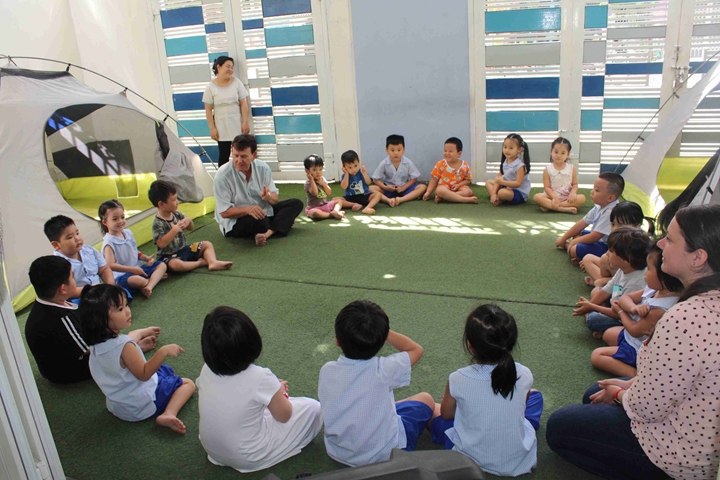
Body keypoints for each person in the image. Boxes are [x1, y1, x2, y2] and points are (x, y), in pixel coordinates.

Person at [547, 203, 720, 480]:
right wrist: (627, 385)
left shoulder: (686, 316)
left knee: (559, 427)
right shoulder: (703, 301)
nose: (661, 243)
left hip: (679, 456)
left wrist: (618, 394)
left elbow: (646, 408)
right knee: (594, 393)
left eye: (670, 239)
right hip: (693, 427)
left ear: (698, 257)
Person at [197, 306, 322, 473]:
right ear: (251, 343)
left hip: (212, 449)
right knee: (313, 408)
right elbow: (285, 416)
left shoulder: (206, 368)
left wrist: (272, 390)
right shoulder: (261, 377)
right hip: (249, 455)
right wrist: (279, 392)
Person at [318, 300, 440, 467]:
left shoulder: (327, 370)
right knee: (426, 398)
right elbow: (416, 349)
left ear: (337, 340)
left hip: (339, 452)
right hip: (385, 454)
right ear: (382, 341)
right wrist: (383, 332)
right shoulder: (384, 370)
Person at [429, 304, 543, 476]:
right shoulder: (524, 374)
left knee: (432, 410)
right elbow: (523, 406)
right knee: (535, 395)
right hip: (518, 459)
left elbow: (446, 415)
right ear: (512, 342)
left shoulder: (458, 378)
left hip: (468, 459)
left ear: (470, 344)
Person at [25, 256, 161, 385]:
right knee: (115, 342)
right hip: (70, 371)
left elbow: (82, 292)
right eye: (72, 277)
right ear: (63, 288)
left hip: (74, 346)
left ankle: (130, 347)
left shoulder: (52, 300)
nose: (74, 279)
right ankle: (133, 345)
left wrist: (100, 290)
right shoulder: (60, 320)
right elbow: (92, 349)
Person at [80, 284, 195, 434]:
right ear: (101, 319)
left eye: (126, 305)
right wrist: (163, 351)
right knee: (187, 384)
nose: (128, 311)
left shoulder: (94, 345)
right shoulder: (124, 345)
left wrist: (139, 339)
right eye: (120, 309)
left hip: (119, 406)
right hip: (141, 405)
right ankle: (168, 414)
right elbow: (144, 373)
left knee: (165, 371)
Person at [591, 242, 682, 377]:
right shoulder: (653, 289)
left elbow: (634, 331)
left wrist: (621, 312)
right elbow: (625, 298)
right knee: (607, 333)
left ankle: (636, 375)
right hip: (630, 336)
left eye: (649, 269)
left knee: (597, 355)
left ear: (664, 277)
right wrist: (633, 308)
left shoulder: (660, 308)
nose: (645, 272)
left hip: (638, 347)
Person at [213, 134, 303, 246]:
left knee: (296, 204)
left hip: (263, 212)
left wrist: (268, 197)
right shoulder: (222, 176)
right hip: (237, 221)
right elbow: (225, 212)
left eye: (244, 156)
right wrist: (248, 210)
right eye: (236, 156)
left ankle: (266, 233)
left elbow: (275, 199)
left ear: (254, 155)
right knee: (259, 221)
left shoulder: (263, 168)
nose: (238, 160)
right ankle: (279, 225)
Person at [573, 227, 650, 335]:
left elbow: (620, 313)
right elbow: (606, 291)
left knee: (593, 320)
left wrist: (592, 307)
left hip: (624, 317)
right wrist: (589, 305)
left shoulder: (636, 283)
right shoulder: (623, 269)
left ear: (626, 258)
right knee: (596, 291)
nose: (607, 254)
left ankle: (603, 326)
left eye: (611, 251)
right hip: (617, 303)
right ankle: (599, 315)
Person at [148, 180, 232, 272]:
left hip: (184, 249)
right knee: (176, 265)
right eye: (173, 200)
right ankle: (199, 263)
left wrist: (188, 221)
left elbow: (191, 227)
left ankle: (212, 262)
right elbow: (161, 243)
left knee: (207, 244)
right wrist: (175, 230)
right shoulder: (157, 223)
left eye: (176, 199)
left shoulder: (176, 214)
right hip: (168, 257)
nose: (177, 202)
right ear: (161, 204)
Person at [99, 200, 167, 299]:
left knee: (162, 265)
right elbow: (110, 265)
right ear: (105, 222)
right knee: (137, 280)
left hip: (138, 269)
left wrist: (145, 258)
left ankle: (148, 286)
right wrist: (132, 269)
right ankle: (151, 281)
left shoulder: (128, 233)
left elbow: (134, 251)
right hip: (123, 276)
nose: (120, 221)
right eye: (115, 219)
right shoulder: (108, 243)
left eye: (122, 217)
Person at [555, 172, 624, 262]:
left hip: (607, 247)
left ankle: (570, 247)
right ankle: (577, 249)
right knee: (578, 232)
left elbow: (594, 237)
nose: (592, 192)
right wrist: (563, 238)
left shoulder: (611, 212)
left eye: (597, 190)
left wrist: (573, 242)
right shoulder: (599, 205)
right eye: (593, 188)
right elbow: (582, 223)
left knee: (574, 249)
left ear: (610, 198)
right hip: (598, 239)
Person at [44, 215, 115, 300]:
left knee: (121, 294)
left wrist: (110, 285)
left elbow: (104, 269)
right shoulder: (59, 265)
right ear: (56, 245)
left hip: (99, 291)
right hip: (79, 297)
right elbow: (68, 292)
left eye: (77, 233)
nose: (77, 238)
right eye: (70, 237)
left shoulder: (89, 250)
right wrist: (93, 289)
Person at [580, 201, 645, 288]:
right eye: (613, 224)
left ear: (637, 226)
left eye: (621, 225)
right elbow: (608, 257)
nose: (615, 229)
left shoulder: (638, 243)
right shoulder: (617, 238)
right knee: (588, 259)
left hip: (631, 281)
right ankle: (605, 284)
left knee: (604, 260)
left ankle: (605, 284)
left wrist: (605, 279)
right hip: (616, 273)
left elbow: (635, 275)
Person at [203, 55, 250, 167]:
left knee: (240, 154)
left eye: (232, 67)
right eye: (227, 66)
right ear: (219, 67)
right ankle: (222, 182)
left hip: (237, 125)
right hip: (221, 126)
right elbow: (208, 110)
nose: (230, 69)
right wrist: (212, 128)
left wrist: (245, 122)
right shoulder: (210, 87)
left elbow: (244, 103)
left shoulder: (237, 83)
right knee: (223, 156)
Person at [533, 137, 586, 214]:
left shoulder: (571, 168)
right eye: (556, 152)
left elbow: (575, 184)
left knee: (582, 198)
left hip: (566, 197)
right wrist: (554, 198)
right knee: (537, 197)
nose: (559, 155)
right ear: (551, 152)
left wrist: (572, 193)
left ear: (568, 154)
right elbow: (547, 187)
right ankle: (563, 209)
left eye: (563, 153)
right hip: (551, 197)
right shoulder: (547, 169)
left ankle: (551, 207)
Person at [372, 134, 427, 207]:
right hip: (389, 188)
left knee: (423, 187)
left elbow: (414, 178)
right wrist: (385, 187)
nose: (396, 153)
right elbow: (376, 179)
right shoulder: (384, 163)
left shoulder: (408, 162)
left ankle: (401, 199)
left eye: (399, 150)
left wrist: (404, 187)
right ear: (387, 150)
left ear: (403, 150)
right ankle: (388, 200)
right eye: (392, 150)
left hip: (404, 187)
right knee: (371, 188)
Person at [422, 137, 478, 204]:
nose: (447, 153)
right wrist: (428, 192)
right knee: (439, 190)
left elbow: (468, 179)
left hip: (459, 188)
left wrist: (459, 185)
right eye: (445, 151)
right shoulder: (440, 164)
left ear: (459, 153)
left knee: (468, 192)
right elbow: (434, 179)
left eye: (450, 151)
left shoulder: (464, 165)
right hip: (444, 188)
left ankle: (445, 198)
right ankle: (464, 199)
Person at [485, 133, 531, 206]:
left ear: (519, 149)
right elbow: (498, 179)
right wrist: (493, 193)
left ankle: (500, 198)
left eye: (511, 148)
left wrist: (502, 182)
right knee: (488, 182)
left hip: (519, 192)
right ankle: (496, 198)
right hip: (507, 186)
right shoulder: (505, 162)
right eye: (505, 147)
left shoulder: (520, 166)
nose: (507, 150)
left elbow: (518, 184)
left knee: (502, 192)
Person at [332, 150, 383, 215]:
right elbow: (344, 186)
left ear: (359, 163)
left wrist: (364, 174)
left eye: (355, 166)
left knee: (378, 194)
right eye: (350, 167)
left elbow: (368, 182)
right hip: (351, 197)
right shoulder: (345, 176)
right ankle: (354, 204)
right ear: (344, 167)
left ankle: (367, 208)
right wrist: (346, 174)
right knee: (334, 199)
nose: (353, 169)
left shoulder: (361, 173)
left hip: (364, 195)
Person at [304, 154, 345, 220]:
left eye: (320, 169)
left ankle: (335, 211)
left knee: (339, 201)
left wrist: (323, 184)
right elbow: (315, 193)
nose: (318, 172)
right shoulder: (308, 183)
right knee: (314, 213)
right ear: (307, 171)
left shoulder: (322, 179)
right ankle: (330, 215)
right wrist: (312, 180)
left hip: (325, 205)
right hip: (314, 208)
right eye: (314, 170)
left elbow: (329, 193)